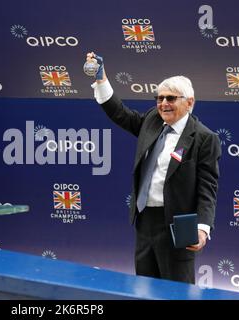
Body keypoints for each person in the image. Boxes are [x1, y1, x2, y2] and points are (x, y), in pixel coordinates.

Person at [86, 52, 221, 284]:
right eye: (159, 98)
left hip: (178, 226)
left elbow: (207, 189)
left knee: (176, 292)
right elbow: (120, 114)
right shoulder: (152, 119)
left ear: (190, 103)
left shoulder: (204, 138)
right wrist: (101, 79)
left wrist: (201, 228)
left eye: (171, 98)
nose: (163, 104)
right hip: (144, 220)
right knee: (145, 287)